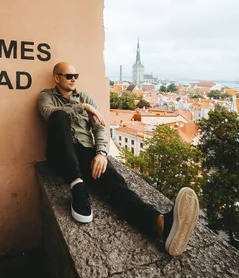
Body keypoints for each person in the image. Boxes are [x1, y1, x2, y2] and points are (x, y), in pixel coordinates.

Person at [38, 62, 199, 256]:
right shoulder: (46, 96)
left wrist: (101, 154)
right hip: (60, 156)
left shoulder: (86, 95)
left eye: (76, 76)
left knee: (116, 184)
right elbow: (49, 114)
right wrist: (83, 107)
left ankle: (160, 224)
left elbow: (99, 128)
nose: (74, 79)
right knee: (59, 117)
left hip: (85, 152)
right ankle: (77, 186)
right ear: (56, 78)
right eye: (68, 76)